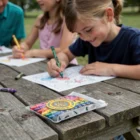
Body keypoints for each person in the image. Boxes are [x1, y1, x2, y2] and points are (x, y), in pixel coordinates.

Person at [47, 0, 140, 81]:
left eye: (88, 30)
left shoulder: (134, 38)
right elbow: (66, 54)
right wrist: (59, 61)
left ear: (108, 15)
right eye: (79, 33)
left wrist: (111, 69)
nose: (84, 38)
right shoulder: (87, 40)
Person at [12, 0, 78, 64]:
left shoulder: (68, 21)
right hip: (43, 65)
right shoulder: (40, 19)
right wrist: (21, 49)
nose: (37, 0)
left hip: (65, 66)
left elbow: (63, 50)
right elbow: (27, 43)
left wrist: (34, 53)